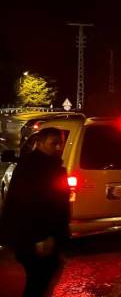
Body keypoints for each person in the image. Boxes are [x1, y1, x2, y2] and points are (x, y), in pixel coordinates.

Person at [0, 127, 70, 297]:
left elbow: (57, 202)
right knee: (38, 281)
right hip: (36, 236)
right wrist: (39, 237)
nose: (59, 147)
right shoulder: (32, 168)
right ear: (39, 143)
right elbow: (27, 204)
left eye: (61, 143)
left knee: (45, 277)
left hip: (47, 234)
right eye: (54, 143)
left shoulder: (50, 166)